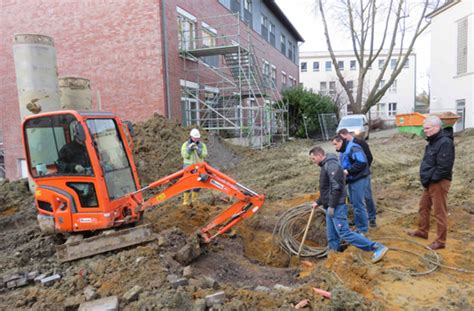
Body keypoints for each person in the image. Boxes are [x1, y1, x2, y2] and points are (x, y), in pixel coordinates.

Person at [309, 146, 388, 263]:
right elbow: (327, 189)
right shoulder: (326, 165)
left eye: (313, 159)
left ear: (319, 155)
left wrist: (332, 205)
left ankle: (376, 247)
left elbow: (337, 188)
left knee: (344, 233)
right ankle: (333, 258)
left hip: (336, 206)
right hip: (330, 206)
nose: (313, 161)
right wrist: (318, 202)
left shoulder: (332, 165)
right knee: (332, 235)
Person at [408, 116, 455, 250]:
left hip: (439, 182)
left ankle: (441, 241)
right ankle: (423, 231)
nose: (425, 131)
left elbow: (444, 166)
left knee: (440, 212)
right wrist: (427, 180)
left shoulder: (444, 142)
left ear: (436, 127)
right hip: (430, 181)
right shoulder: (433, 141)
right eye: (425, 128)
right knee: (423, 207)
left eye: (427, 128)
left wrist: (433, 179)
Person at [338, 128, 377, 227]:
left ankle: (372, 218)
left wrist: (361, 171)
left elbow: (368, 158)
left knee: (367, 197)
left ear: (345, 135)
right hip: (352, 176)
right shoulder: (343, 148)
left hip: (362, 175)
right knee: (354, 200)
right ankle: (358, 219)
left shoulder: (359, 143)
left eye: (342, 138)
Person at [332, 135, 370, 234]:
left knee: (358, 205)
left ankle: (363, 229)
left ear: (341, 141)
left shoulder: (354, 148)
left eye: (336, 144)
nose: (335, 147)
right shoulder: (343, 151)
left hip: (359, 178)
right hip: (352, 180)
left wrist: (348, 171)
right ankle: (359, 226)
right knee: (354, 204)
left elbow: (362, 163)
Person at [181, 128, 208, 206]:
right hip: (188, 166)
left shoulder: (202, 145)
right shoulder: (185, 145)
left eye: (197, 138)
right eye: (195, 138)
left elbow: (204, 154)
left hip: (199, 166)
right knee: (187, 183)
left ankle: (194, 201)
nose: (196, 139)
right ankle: (186, 202)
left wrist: (198, 149)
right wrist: (189, 149)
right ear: (191, 137)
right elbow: (184, 155)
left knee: (198, 183)